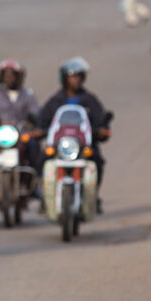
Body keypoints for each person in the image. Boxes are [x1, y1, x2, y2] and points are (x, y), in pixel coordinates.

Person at [38, 57, 112, 212]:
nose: (76, 80)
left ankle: (93, 196)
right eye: (73, 77)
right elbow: (42, 120)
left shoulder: (90, 100)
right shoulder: (55, 100)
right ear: (65, 78)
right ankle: (46, 196)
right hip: (60, 147)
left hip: (82, 146)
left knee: (97, 162)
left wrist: (102, 129)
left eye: (79, 76)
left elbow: (100, 119)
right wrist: (38, 129)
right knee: (42, 160)